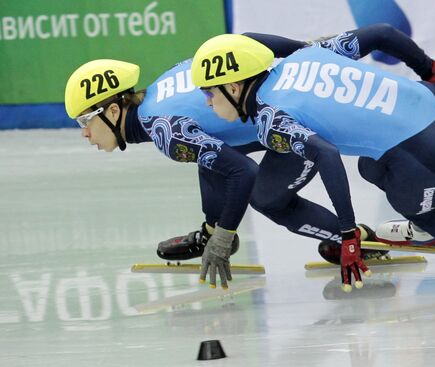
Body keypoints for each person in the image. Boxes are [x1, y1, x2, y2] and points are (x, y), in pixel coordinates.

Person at [190, 24, 435, 292]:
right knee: (370, 165)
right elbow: (382, 33)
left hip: (429, 153)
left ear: (234, 86)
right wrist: (430, 68)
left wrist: (348, 235)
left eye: (209, 93)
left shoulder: (271, 117)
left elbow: (327, 157)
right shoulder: (305, 56)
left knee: (423, 207)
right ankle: (420, 225)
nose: (207, 103)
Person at [64, 30, 392, 290]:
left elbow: (242, 172)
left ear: (113, 111)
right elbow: (242, 41)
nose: (85, 134)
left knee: (268, 199)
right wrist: (300, 49)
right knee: (208, 155)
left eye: (84, 122)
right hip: (283, 109)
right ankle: (210, 229)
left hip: (299, 122)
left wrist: (223, 237)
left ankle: (356, 239)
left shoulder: (162, 128)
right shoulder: (161, 88)